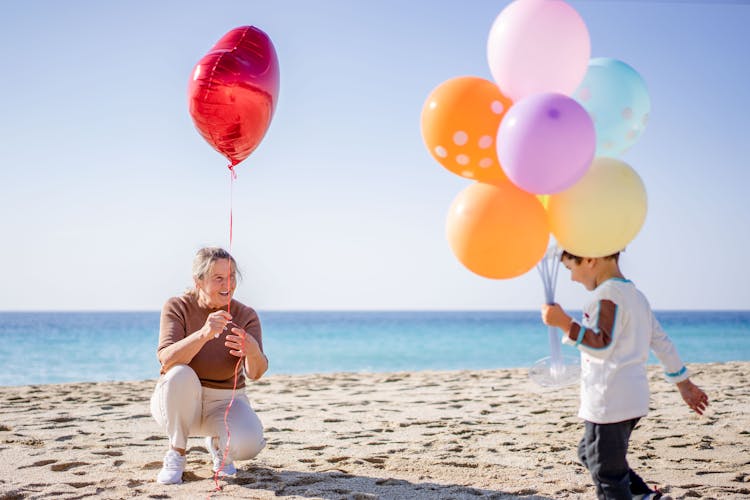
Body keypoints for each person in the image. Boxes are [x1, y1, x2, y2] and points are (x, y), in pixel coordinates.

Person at [541, 250, 708, 500]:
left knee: (607, 473)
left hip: (609, 401)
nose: (572, 279)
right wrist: (684, 384)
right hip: (633, 399)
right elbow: (661, 342)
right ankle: (644, 495)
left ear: (589, 259)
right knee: (589, 453)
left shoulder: (607, 295)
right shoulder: (636, 296)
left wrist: (565, 323)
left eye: (570, 268)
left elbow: (602, 343)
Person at [150, 247, 268, 485]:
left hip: (225, 402)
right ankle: (176, 452)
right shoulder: (177, 306)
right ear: (198, 281)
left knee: (250, 444)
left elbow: (255, 373)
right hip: (177, 404)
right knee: (179, 373)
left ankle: (218, 446)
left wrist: (252, 350)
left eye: (232, 276)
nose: (229, 284)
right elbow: (166, 360)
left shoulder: (246, 315)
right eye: (219, 278)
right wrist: (203, 334)